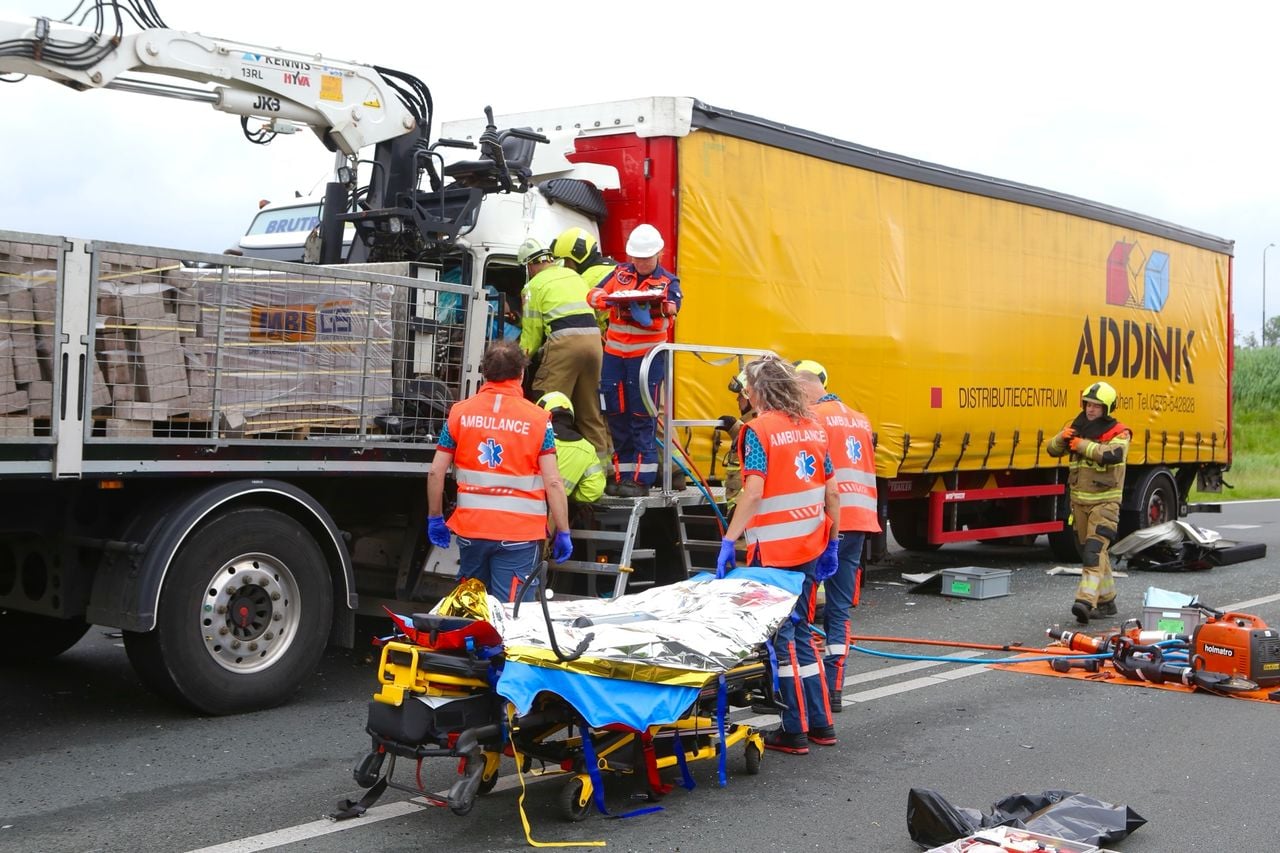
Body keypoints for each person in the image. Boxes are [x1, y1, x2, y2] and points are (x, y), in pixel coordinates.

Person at [715, 356, 841, 755]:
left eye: (748, 388)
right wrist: (832, 541)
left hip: (774, 551)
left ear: (759, 391)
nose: (746, 394)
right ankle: (821, 724)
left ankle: (796, 729)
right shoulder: (814, 428)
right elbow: (833, 492)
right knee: (804, 634)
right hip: (810, 545)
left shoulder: (757, 431)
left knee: (783, 639)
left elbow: (753, 492)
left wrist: (728, 539)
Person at [426, 341, 573, 602]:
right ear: (521, 374)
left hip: (472, 532)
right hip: (520, 536)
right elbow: (553, 482)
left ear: (484, 373)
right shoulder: (539, 420)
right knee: (513, 616)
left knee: (473, 609)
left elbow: (436, 472)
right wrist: (563, 530)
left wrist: (435, 518)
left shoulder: (459, 414)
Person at [795, 360, 881, 713]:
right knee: (840, 611)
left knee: (803, 609)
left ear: (804, 390)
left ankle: (808, 694)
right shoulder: (860, 418)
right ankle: (835, 689)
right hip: (860, 520)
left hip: (827, 521)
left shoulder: (814, 418)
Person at [586, 224, 683, 497]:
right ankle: (623, 475)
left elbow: (673, 309)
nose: (640, 263)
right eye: (636, 257)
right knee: (616, 413)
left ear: (658, 254)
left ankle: (642, 479)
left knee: (642, 416)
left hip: (647, 359)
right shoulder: (620, 273)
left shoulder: (668, 282)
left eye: (646, 257)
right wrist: (608, 300)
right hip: (615, 357)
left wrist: (650, 308)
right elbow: (593, 294)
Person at [515, 237, 611, 471]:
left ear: (529, 265)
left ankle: (542, 467)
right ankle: (602, 471)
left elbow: (532, 333)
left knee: (547, 407)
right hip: (594, 344)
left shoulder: (533, 287)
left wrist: (518, 360)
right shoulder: (575, 276)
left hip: (564, 345)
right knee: (590, 411)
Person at [1046, 381, 1131, 625]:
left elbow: (1112, 455)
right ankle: (1107, 600)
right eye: (1088, 404)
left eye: (1097, 406)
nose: (1091, 410)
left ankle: (1085, 601)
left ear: (1107, 408)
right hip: (1080, 503)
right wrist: (1062, 438)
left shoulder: (1119, 432)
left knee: (1093, 552)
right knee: (1092, 551)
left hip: (1106, 503)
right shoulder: (1077, 426)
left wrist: (1082, 445)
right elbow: (1052, 450)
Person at [537, 391, 606, 503]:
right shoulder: (586, 449)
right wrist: (570, 497)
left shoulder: (533, 438)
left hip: (524, 504)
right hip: (557, 509)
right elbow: (594, 490)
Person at [715, 369, 756, 509]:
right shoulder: (753, 426)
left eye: (740, 395)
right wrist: (735, 429)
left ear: (750, 395)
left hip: (745, 515)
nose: (737, 399)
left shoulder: (758, 429)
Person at [551, 226, 618, 289]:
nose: (565, 266)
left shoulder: (585, 280)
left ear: (579, 255)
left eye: (567, 260)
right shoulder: (615, 266)